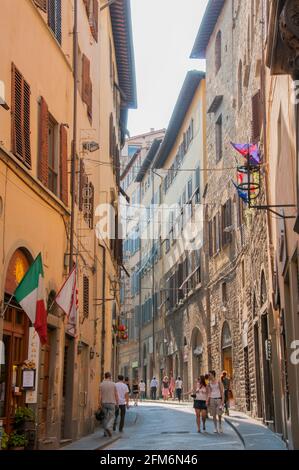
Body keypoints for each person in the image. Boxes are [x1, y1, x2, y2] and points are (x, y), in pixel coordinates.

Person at [98, 372, 119, 437]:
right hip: (112, 402)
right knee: (112, 416)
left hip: (104, 403)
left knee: (105, 417)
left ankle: (105, 432)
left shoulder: (101, 384)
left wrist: (99, 403)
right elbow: (116, 394)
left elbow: (100, 395)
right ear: (110, 377)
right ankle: (108, 427)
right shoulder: (113, 384)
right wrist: (117, 402)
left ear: (105, 376)